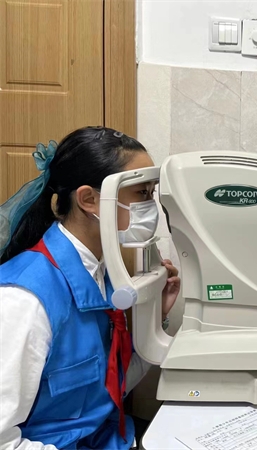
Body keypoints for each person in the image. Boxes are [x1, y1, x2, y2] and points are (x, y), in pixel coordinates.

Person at [0, 127, 180, 449]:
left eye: (152, 193)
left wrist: (155, 317)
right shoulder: (24, 300)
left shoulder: (101, 273)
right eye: (141, 193)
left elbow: (106, 391)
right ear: (89, 200)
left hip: (108, 438)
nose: (150, 206)